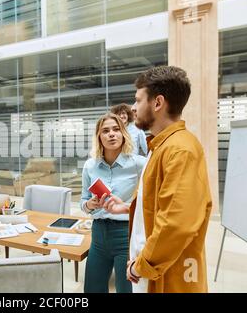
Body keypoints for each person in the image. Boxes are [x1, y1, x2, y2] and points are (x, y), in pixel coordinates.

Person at [127, 66, 212, 293]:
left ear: (157, 103)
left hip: (167, 277)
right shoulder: (160, 145)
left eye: (138, 100)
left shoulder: (181, 150)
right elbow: (155, 206)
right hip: (150, 270)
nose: (133, 108)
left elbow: (175, 224)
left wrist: (140, 265)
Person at [81, 113, 146, 293]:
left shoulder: (139, 164)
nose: (111, 134)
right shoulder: (90, 166)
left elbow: (148, 201)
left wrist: (127, 208)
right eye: (106, 131)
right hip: (98, 234)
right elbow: (83, 202)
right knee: (92, 290)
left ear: (123, 134)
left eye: (116, 129)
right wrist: (90, 205)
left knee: (126, 289)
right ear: (99, 137)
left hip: (125, 235)